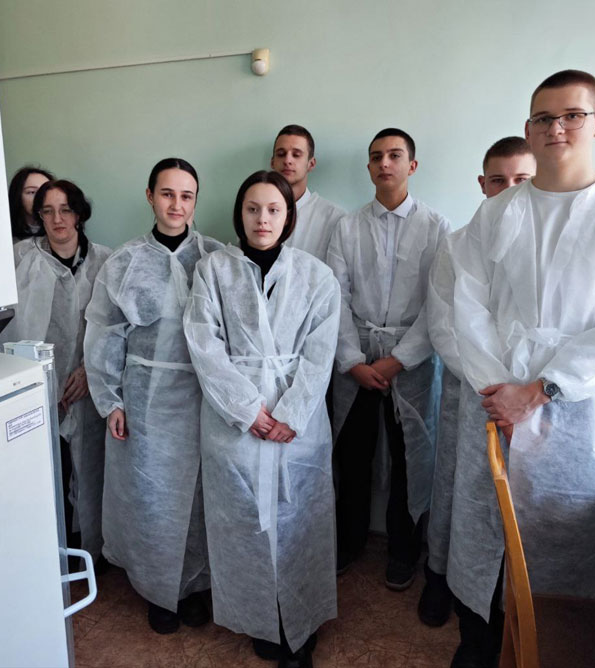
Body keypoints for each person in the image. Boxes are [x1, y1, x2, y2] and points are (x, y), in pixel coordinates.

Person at [437, 70, 595, 668]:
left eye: (572, 115)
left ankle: (550, 647)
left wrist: (542, 390)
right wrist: (500, 392)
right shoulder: (495, 215)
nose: (557, 128)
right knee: (483, 529)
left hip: (577, 412)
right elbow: (468, 306)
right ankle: (478, 641)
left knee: (559, 541)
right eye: (544, 118)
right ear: (529, 128)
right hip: (491, 399)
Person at [184, 170, 340, 668]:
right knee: (243, 522)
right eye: (253, 208)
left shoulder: (317, 275)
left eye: (274, 209)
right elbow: (204, 346)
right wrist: (248, 410)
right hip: (235, 422)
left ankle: (300, 623)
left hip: (298, 425)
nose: (263, 219)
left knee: (299, 520)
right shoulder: (213, 271)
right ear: (240, 214)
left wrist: (291, 413)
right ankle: (259, 618)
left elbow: (320, 353)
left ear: (289, 216)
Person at [83, 158, 223, 635]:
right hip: (144, 403)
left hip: (202, 399)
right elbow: (104, 334)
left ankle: (196, 585)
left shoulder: (215, 259)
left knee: (198, 497)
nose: (176, 205)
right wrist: (111, 400)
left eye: (186, 196)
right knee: (151, 497)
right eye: (167, 194)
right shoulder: (123, 263)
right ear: (150, 196)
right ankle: (159, 592)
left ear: (195, 201)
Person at [420, 138, 535, 634]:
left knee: (522, 510)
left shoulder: (548, 246)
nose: (509, 190)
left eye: (522, 180)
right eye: (498, 180)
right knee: (459, 495)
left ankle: (512, 613)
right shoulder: (458, 243)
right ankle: (443, 581)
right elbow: (444, 324)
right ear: (482, 184)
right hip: (474, 398)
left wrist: (524, 391)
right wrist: (493, 387)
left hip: (531, 404)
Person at [327, 128, 450, 589]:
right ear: (368, 166)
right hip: (356, 358)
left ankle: (404, 549)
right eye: (377, 156)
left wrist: (398, 360)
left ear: (411, 166)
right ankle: (349, 540)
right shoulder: (347, 226)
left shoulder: (436, 227)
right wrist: (353, 361)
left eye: (395, 155)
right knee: (352, 455)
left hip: (411, 361)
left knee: (409, 460)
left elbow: (438, 304)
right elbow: (335, 296)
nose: (385, 163)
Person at [0, 178, 111, 564]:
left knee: (89, 471)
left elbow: (113, 330)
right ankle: (44, 555)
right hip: (35, 388)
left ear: (79, 214)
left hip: (87, 387)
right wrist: (36, 382)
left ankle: (86, 551)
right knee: (45, 472)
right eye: (48, 211)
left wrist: (90, 371)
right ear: (39, 216)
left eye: (65, 210)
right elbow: (4, 331)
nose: (57, 219)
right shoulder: (21, 259)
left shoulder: (105, 262)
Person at [269, 124, 346, 262]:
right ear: (272, 162)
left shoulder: (334, 219)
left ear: (311, 164)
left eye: (296, 155)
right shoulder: (255, 212)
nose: (287, 160)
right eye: (281, 154)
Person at [7, 165, 54, 242]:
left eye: (46, 191)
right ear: (17, 196)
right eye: (32, 192)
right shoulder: (5, 234)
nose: (41, 196)